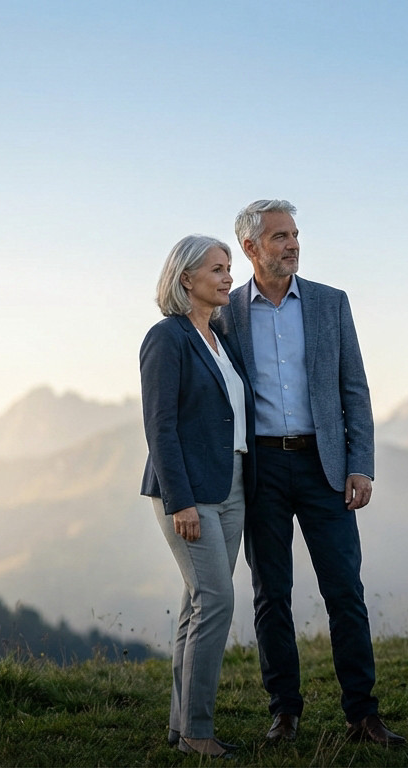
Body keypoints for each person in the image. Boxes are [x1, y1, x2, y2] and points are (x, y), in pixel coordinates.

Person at [215, 199, 404, 747]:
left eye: (295, 234)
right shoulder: (227, 314)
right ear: (250, 248)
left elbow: (354, 391)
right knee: (270, 594)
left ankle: (363, 714)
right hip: (263, 467)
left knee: (345, 590)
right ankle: (284, 713)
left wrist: (361, 465)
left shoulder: (330, 304)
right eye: (279, 236)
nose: (292, 244)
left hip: (326, 466)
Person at [140, 234, 254, 759]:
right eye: (217, 268)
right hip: (186, 493)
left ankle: (179, 726)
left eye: (229, 267)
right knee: (217, 602)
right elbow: (160, 427)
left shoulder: (220, 339)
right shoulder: (167, 338)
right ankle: (198, 732)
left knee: (196, 605)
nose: (228, 275)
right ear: (186, 278)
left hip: (230, 486)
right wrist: (181, 501)